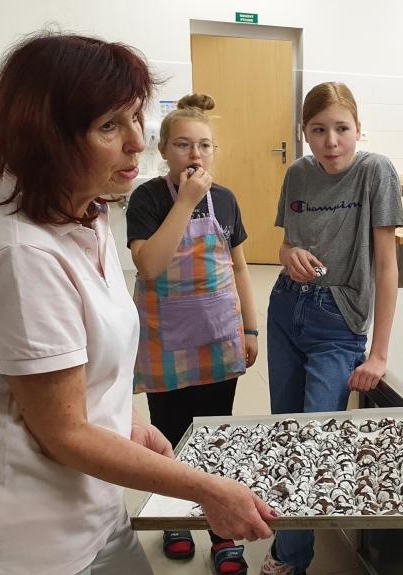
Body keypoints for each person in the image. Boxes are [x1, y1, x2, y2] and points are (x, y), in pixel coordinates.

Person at [0, 32, 275, 575]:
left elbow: (78, 367)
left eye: (134, 118)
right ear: (47, 138)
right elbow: (63, 432)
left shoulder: (85, 207)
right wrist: (206, 489)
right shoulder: (19, 254)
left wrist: (122, 419)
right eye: (109, 126)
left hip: (92, 507)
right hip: (29, 538)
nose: (136, 142)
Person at [262, 81, 403, 575]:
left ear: (359, 129)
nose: (331, 141)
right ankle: (289, 550)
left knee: (312, 444)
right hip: (286, 309)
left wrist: (378, 353)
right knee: (286, 436)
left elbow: (386, 264)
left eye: (342, 128)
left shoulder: (375, 172)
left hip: (338, 321)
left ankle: (287, 558)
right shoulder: (298, 174)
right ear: (304, 132)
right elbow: (286, 244)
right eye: (318, 130)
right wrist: (289, 254)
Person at [126, 93, 258, 574]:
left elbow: (239, 268)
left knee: (215, 435)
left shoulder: (226, 199)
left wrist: (250, 328)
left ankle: (222, 529)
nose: (194, 154)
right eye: (183, 145)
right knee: (171, 435)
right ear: (163, 150)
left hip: (218, 337)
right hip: (165, 343)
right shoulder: (147, 199)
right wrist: (185, 201)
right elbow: (149, 265)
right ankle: (174, 516)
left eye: (204, 145)